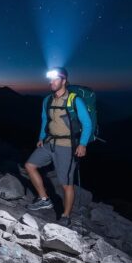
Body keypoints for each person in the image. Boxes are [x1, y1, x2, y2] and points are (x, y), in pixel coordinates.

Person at [24, 67, 92, 227]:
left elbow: (87, 123)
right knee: (29, 165)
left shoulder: (74, 100)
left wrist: (82, 144)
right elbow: (44, 120)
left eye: (55, 79)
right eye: (50, 79)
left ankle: (66, 215)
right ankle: (44, 199)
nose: (51, 82)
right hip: (50, 142)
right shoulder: (47, 100)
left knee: (66, 183)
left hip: (67, 146)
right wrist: (41, 137)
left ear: (64, 81)